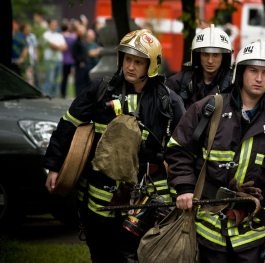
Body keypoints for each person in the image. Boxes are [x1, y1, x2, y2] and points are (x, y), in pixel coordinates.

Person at [165, 40, 265, 263]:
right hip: (207, 230)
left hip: (253, 236)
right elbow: (178, 149)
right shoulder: (209, 108)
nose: (259, 78)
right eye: (253, 70)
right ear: (240, 72)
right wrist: (185, 188)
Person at [44, 29, 185, 262]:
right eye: (127, 59)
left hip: (149, 196)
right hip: (101, 194)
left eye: (138, 62)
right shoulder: (100, 90)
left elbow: (183, 149)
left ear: (151, 65)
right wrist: (54, 165)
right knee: (101, 253)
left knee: (140, 254)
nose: (130, 66)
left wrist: (182, 188)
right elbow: (68, 125)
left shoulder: (168, 101)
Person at [165, 24, 234, 109]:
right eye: (205, 54)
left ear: (223, 57)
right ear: (198, 56)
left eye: (215, 55)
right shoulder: (181, 81)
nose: (210, 61)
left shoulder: (233, 85)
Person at [42, 19, 67, 97]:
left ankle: (55, 96)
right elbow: (51, 46)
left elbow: (65, 47)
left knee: (57, 80)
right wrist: (59, 47)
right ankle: (47, 95)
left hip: (59, 60)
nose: (55, 26)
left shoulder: (59, 35)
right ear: (49, 25)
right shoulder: (46, 34)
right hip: (50, 60)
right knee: (50, 79)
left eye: (56, 25)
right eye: (53, 24)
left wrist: (57, 47)